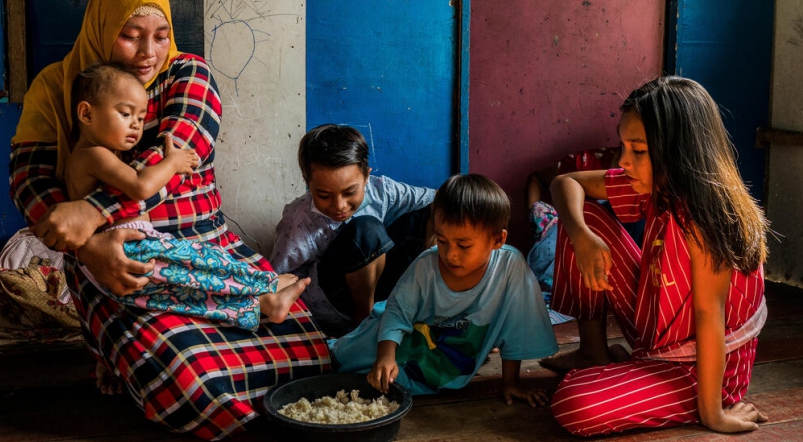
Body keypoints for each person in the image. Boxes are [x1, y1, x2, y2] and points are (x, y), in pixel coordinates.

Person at [9, 0, 329, 440]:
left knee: (312, 361)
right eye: (129, 36)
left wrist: (91, 213)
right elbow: (29, 181)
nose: (148, 53)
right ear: (102, 30)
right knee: (189, 383)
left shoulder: (189, 73)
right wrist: (91, 247)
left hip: (210, 249)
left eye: (160, 37)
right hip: (120, 261)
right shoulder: (58, 87)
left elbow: (174, 159)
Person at [544, 76, 770, 436]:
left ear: (679, 153)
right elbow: (564, 183)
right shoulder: (659, 185)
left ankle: (657, 382)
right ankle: (593, 352)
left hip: (701, 365)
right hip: (657, 330)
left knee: (574, 403)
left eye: (638, 150)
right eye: (623, 146)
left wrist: (714, 415)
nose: (624, 161)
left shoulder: (708, 215)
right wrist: (581, 236)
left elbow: (709, 316)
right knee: (583, 216)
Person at [65, 61, 307, 329]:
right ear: (86, 114)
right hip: (133, 248)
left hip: (119, 260)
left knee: (188, 294)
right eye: (125, 114)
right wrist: (173, 162)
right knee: (206, 262)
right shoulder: (94, 154)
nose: (135, 126)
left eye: (140, 118)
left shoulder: (91, 153)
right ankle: (269, 283)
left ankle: (263, 304)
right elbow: (140, 187)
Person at [330, 174, 559, 405]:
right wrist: (386, 356)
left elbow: (516, 328)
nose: (450, 254)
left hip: (446, 353)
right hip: (405, 336)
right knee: (346, 364)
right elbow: (397, 312)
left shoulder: (511, 267)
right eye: (442, 240)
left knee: (396, 383)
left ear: (497, 240)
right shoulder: (426, 264)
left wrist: (510, 382)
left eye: (464, 245)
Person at [269, 124, 435, 335]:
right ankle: (365, 327)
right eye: (324, 195)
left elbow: (442, 198)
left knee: (436, 214)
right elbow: (276, 278)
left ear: (366, 176)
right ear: (307, 181)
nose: (339, 205)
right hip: (336, 306)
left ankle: (428, 313)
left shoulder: (381, 190)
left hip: (380, 290)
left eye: (350, 192)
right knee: (366, 232)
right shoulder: (299, 219)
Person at [524, 147, 644, 317]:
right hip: (581, 245)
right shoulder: (588, 162)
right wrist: (537, 220)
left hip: (626, 254)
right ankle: (592, 337)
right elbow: (539, 179)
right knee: (577, 209)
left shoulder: (650, 182)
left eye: (639, 149)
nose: (625, 160)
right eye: (626, 143)